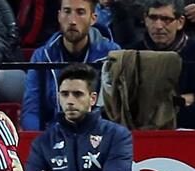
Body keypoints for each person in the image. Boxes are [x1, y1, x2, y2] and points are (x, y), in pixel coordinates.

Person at [21, 0, 121, 131]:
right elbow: (31, 109)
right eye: (67, 12)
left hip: (98, 135)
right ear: (59, 16)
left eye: (80, 12)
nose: (72, 21)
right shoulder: (42, 56)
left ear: (93, 19)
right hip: (54, 135)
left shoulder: (112, 54)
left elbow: (116, 109)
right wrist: (38, 139)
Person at [130, 0, 195, 129]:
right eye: (153, 18)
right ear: (145, 19)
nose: (158, 26)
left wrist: (153, 107)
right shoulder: (132, 53)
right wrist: (179, 101)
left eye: (166, 19)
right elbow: (127, 113)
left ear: (180, 22)